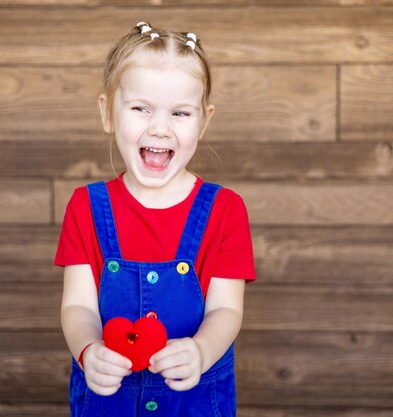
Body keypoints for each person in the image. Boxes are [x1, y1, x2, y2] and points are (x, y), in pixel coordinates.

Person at [55, 21, 256, 417]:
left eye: (180, 113)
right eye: (140, 108)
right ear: (107, 113)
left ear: (205, 120)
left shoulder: (225, 210)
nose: (160, 128)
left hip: (193, 403)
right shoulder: (86, 208)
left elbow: (226, 311)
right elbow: (78, 307)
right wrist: (87, 350)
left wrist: (201, 350)